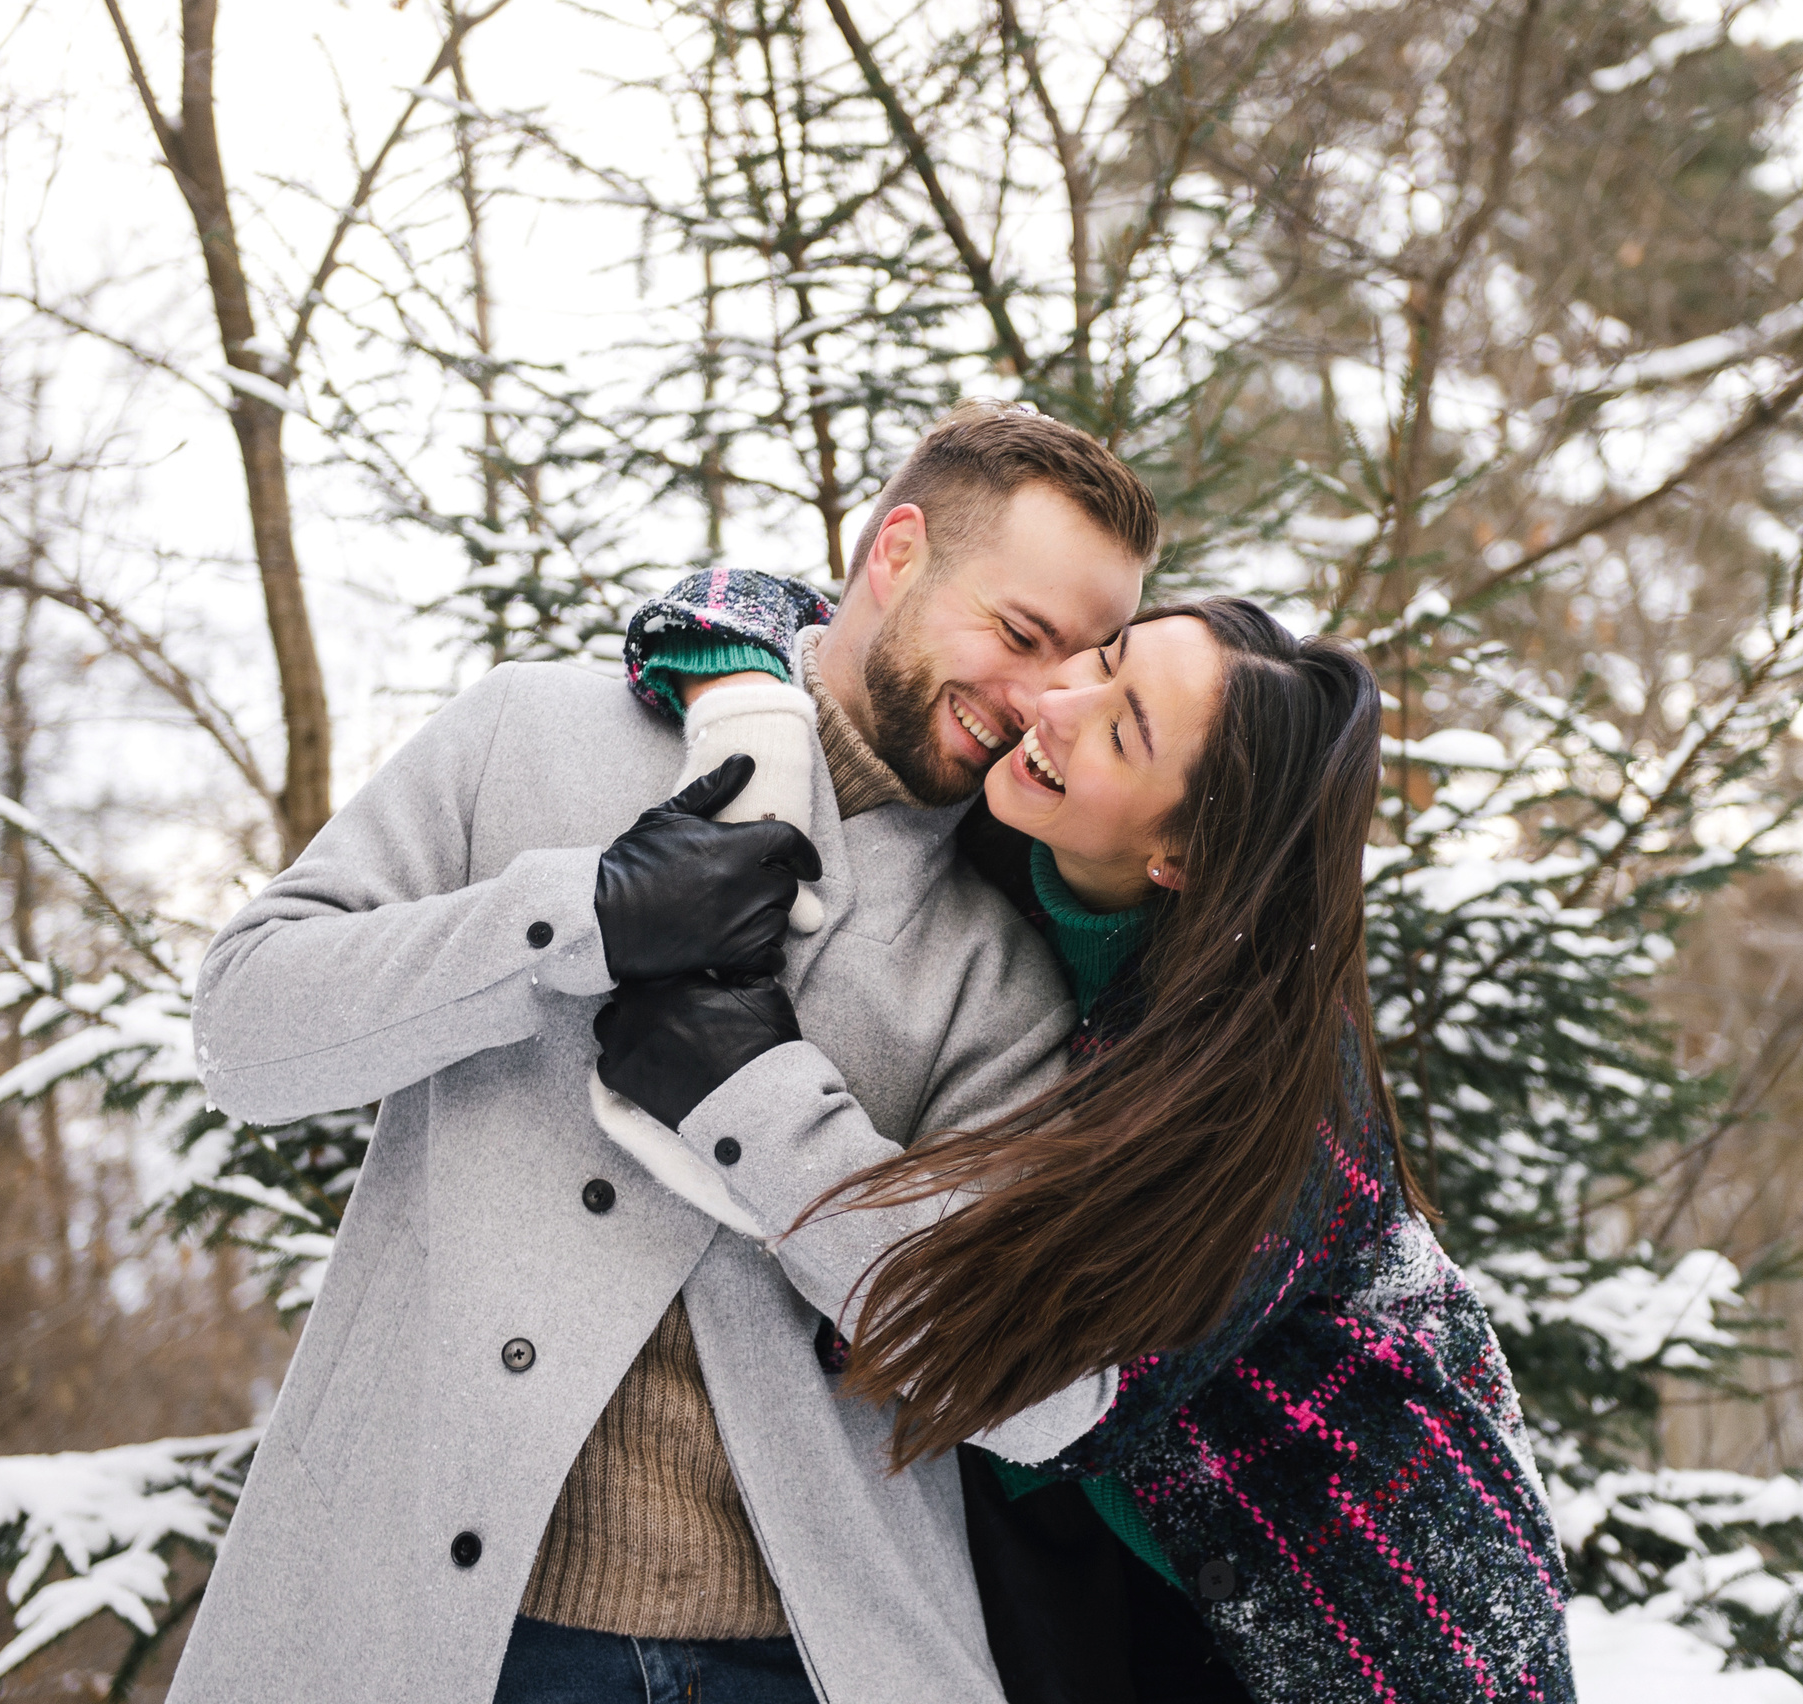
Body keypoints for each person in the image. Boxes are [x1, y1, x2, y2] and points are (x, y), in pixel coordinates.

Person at [172, 401, 1158, 1704]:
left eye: (1082, 660)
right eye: (1021, 633)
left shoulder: (1000, 965)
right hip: (424, 1635)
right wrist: (571, 920)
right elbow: (246, 1034)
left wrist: (759, 1106)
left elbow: (1037, 1390)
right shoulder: (527, 732)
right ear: (899, 551)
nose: (1041, 699)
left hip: (810, 1664)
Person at [614, 580, 1575, 1703]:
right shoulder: (1020, 811)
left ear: (1180, 854)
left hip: (1353, 1639)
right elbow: (780, 607)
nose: (1059, 701)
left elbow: (1021, 1371)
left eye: (1122, 727)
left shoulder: (1273, 1100)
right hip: (1097, 1573)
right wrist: (749, 709)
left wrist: (741, 1087)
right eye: (1106, 658)